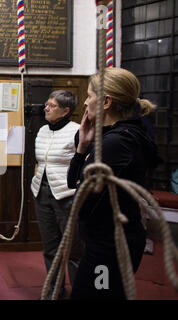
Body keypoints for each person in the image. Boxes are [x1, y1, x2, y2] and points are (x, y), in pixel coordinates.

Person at [67, 67, 160, 299]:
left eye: (90, 96)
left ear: (106, 101)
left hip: (110, 246)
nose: (86, 103)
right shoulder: (108, 138)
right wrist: (82, 149)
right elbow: (73, 183)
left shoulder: (117, 141)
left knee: (97, 295)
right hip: (101, 239)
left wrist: (82, 180)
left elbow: (81, 200)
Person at [30, 90, 82, 299]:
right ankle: (55, 291)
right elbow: (40, 160)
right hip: (41, 194)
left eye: (51, 105)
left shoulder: (77, 130)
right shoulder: (42, 130)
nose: (46, 108)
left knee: (74, 249)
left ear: (65, 110)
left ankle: (80, 292)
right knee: (51, 247)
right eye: (47, 104)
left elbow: (86, 162)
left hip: (67, 196)